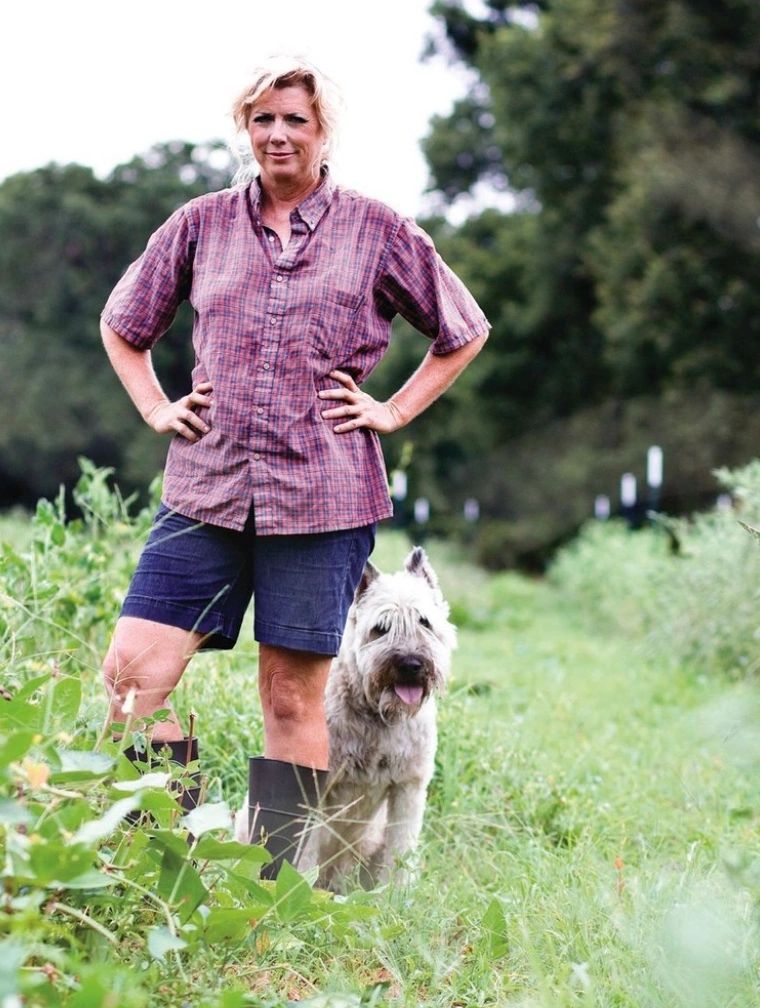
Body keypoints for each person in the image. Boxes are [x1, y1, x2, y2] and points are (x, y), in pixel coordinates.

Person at [100, 56, 489, 871]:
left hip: (324, 496)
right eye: (263, 119)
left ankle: (270, 886)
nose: (277, 134)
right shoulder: (200, 223)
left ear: (323, 133)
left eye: (295, 120)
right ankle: (167, 851)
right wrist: (154, 405)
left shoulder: (377, 229)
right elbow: (124, 324)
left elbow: (462, 329)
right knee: (133, 677)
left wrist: (393, 409)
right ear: (246, 129)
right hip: (205, 487)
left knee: (290, 698)